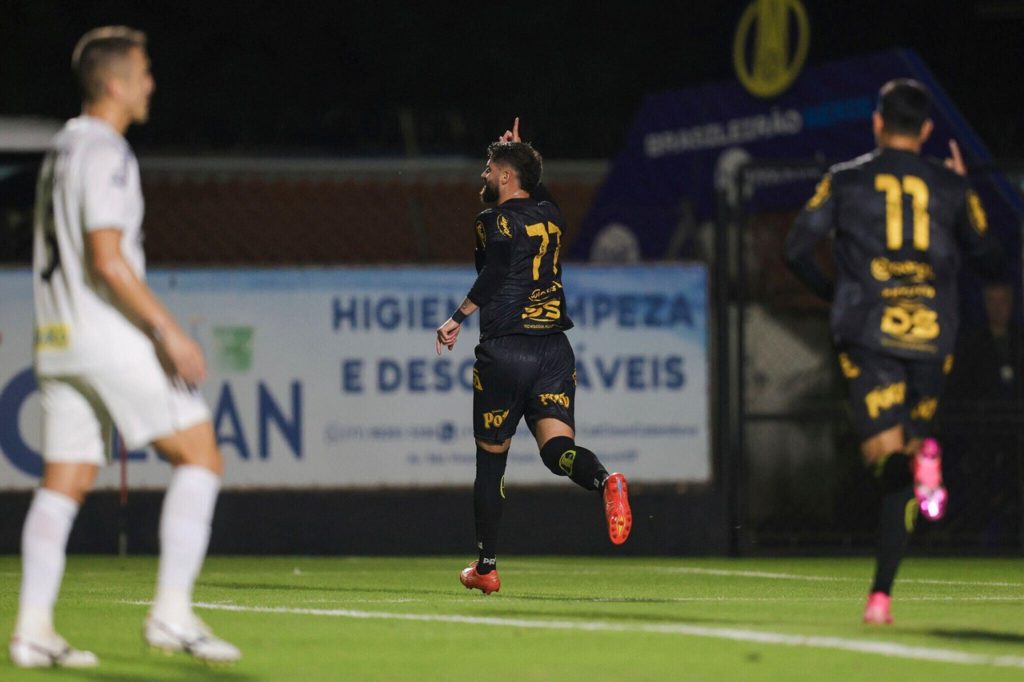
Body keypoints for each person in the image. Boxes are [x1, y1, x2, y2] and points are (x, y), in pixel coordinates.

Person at [9, 26, 240, 667]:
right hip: (106, 338)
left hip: (57, 341)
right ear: (115, 83)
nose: (150, 84)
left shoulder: (61, 149)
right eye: (142, 72)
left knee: (64, 482)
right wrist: (167, 330)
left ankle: (33, 630)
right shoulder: (106, 152)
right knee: (200, 457)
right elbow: (108, 260)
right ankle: (171, 614)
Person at [784, 79, 1004, 624]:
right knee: (903, 466)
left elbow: (796, 249)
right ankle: (880, 597)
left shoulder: (846, 179)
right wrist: (964, 194)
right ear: (927, 130)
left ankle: (917, 465)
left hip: (871, 332)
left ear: (878, 123)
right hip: (933, 336)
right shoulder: (951, 187)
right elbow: (992, 259)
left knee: (883, 461)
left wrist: (838, 297)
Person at [435, 118, 632, 594]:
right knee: (556, 451)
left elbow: (499, 267)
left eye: (489, 168)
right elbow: (535, 187)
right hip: (554, 351)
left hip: (506, 349)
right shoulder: (553, 214)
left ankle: (486, 567)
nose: (483, 175)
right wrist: (517, 150)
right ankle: (606, 481)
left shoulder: (491, 221)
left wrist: (457, 317)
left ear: (505, 177)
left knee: (491, 463)